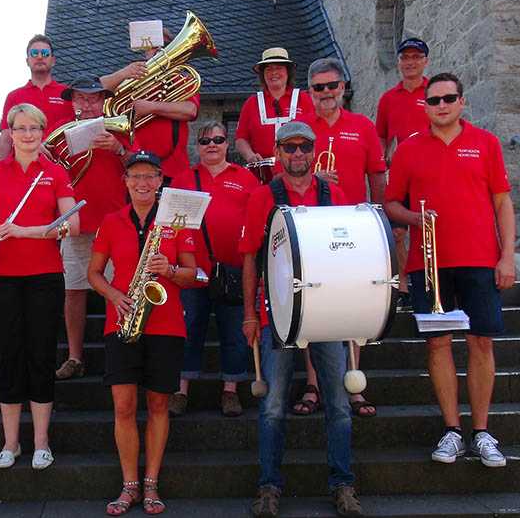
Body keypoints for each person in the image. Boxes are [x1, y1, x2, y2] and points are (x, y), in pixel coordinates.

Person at [385, 72, 515, 468]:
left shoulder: (486, 143)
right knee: (438, 345)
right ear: (424, 106)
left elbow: (502, 204)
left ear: (462, 102)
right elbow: (391, 204)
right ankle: (452, 431)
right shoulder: (408, 150)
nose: (441, 105)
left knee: (481, 344)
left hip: (478, 260)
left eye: (448, 98)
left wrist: (507, 255)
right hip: (428, 265)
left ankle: (481, 431)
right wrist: (417, 216)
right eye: (434, 100)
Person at [239, 122, 361, 518]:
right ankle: (269, 487)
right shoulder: (262, 197)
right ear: (278, 151)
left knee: (339, 405)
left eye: (304, 147)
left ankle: (343, 485)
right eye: (289, 147)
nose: (297, 154)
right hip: (275, 317)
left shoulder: (334, 194)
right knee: (273, 407)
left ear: (314, 150)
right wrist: (248, 315)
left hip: (326, 314)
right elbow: (249, 259)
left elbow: (347, 252)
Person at [88, 151, 197, 515]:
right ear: (126, 182)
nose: (142, 183)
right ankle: (129, 485)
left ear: (161, 180)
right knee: (123, 406)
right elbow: (94, 274)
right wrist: (115, 295)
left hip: (166, 324)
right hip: (122, 321)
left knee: (159, 404)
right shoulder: (111, 221)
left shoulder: (176, 223)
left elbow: (192, 274)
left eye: (150, 176)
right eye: (135, 176)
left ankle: (151, 484)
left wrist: (169, 269)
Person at [0, 103, 79, 470]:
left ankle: (41, 442)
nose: (28, 134)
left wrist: (26, 232)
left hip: (44, 275)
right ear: (10, 132)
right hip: (0, 275)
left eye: (34, 128)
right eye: (21, 128)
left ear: (42, 131)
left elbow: (73, 224)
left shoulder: (55, 173)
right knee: (8, 357)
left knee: (40, 355)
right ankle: (11, 442)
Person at [295, 57, 386, 418]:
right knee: (314, 305)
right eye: (319, 87)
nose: (327, 93)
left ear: (343, 87)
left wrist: (381, 218)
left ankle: (353, 381)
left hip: (355, 226)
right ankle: (314, 383)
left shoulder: (362, 126)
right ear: (310, 92)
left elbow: (378, 175)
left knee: (355, 303)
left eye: (332, 86)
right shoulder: (300, 128)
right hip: (313, 227)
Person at [169, 122, 258, 417]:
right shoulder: (183, 179)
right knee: (188, 327)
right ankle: (181, 390)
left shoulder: (245, 178)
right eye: (205, 140)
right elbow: (171, 224)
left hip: (233, 270)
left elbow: (257, 223)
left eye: (218, 140)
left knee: (233, 332)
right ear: (197, 145)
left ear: (227, 143)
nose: (212, 145)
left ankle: (230, 391)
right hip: (192, 271)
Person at [53, 77, 129, 380]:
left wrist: (119, 149)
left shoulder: (118, 128)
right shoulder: (60, 132)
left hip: (113, 224)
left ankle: (119, 354)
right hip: (76, 222)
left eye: (93, 99)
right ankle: (74, 357)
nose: (87, 105)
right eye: (81, 99)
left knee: (117, 291)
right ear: (72, 102)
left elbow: (144, 170)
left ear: (103, 102)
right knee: (73, 291)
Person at [101, 29, 199, 184]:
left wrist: (152, 107)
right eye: (152, 46)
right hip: (134, 165)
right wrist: (123, 73)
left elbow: (191, 110)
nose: (158, 50)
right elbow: (96, 89)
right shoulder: (133, 75)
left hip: (172, 170)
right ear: (145, 51)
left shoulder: (179, 76)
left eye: (164, 45)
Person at [376, 37, 431, 309]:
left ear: (425, 61)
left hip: (431, 175)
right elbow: (382, 138)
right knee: (396, 233)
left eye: (416, 57)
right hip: (399, 176)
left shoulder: (434, 92)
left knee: (429, 228)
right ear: (398, 62)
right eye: (405, 58)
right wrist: (382, 161)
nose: (410, 62)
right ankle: (406, 284)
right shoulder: (388, 99)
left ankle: (431, 280)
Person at [0, 34, 74, 160]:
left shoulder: (68, 94)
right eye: (34, 53)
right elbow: (6, 140)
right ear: (27, 61)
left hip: (61, 166)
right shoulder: (14, 96)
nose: (40, 57)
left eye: (45, 53)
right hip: (23, 167)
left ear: (53, 60)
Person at [235, 47, 314, 173]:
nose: (274, 73)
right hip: (263, 172)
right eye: (269, 69)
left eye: (279, 68)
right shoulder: (251, 103)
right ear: (263, 74)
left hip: (299, 170)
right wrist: (250, 156)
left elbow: (317, 133)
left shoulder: (305, 99)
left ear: (288, 72)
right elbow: (241, 139)